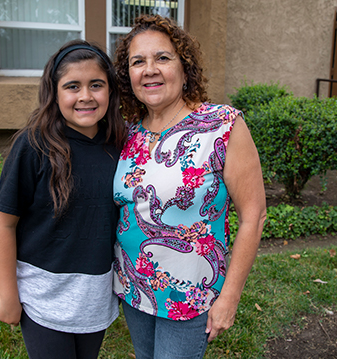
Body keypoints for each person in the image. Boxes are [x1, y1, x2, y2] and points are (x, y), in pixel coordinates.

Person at [112, 15, 267, 359]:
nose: (149, 69)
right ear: (129, 76)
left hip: (189, 296)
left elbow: (254, 215)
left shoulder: (223, 125)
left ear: (185, 69)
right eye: (138, 62)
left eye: (162, 58)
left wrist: (229, 297)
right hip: (134, 287)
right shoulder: (128, 131)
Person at [0, 40, 126, 359]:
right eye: (72, 86)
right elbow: (4, 224)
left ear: (110, 91)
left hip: (94, 296)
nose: (85, 96)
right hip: (43, 296)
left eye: (96, 85)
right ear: (54, 92)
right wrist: (8, 295)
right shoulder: (34, 145)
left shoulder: (119, 145)